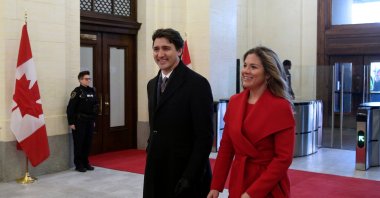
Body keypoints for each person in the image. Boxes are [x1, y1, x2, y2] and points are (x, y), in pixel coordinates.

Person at [208, 47, 295, 198]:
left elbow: (283, 159)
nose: (246, 71)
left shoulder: (281, 106)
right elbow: (226, 148)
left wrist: (252, 193)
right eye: (245, 65)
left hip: (267, 186)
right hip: (239, 181)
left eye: (253, 67)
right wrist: (216, 186)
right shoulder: (235, 101)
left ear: (268, 74)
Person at [143, 28, 214, 198]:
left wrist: (190, 176)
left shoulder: (197, 84)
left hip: (184, 172)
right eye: (156, 49)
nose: (160, 54)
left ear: (180, 50)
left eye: (166, 48)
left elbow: (204, 137)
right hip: (156, 169)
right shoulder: (152, 84)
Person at [66, 71, 98, 172]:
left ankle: (86, 162)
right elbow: (70, 108)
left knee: (87, 143)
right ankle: (78, 164)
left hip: (89, 121)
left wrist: (93, 120)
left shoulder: (92, 91)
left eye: (89, 79)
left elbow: (95, 107)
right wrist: (71, 122)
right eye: (86, 79)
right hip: (79, 122)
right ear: (80, 80)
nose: (88, 80)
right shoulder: (77, 92)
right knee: (79, 143)